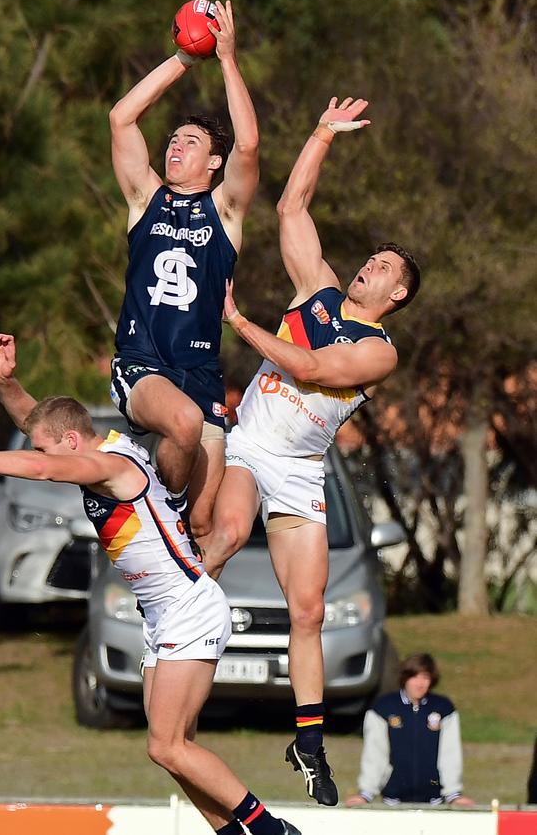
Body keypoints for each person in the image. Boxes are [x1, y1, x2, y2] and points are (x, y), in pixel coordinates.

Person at [0, 333, 300, 835]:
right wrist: (6, 383)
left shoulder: (109, 465)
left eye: (52, 447)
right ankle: (233, 832)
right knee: (175, 749)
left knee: (166, 745)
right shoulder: (93, 446)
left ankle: (271, 829)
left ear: (71, 443)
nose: (47, 452)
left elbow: (43, 464)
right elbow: (41, 428)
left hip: (188, 607)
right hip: (164, 614)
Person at [203, 96, 421, 806]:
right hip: (250, 446)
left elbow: (314, 371)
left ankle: (308, 741)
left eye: (384, 266)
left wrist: (239, 320)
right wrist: (322, 134)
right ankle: (168, 618)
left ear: (397, 294)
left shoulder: (377, 351)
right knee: (229, 533)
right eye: (372, 257)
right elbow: (292, 207)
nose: (370, 264)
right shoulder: (318, 290)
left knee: (308, 612)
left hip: (298, 472)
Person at [108, 0, 259, 540]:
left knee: (204, 522)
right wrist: (183, 59)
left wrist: (226, 59)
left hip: (202, 372)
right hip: (142, 364)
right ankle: (155, 512)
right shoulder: (145, 199)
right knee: (184, 428)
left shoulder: (225, 212)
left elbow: (249, 144)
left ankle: (183, 617)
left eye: (189, 142)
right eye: (172, 139)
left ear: (213, 163)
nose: (174, 145)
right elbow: (122, 118)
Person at [345, 653, 474, 806]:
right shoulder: (384, 707)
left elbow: (450, 753)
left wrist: (454, 794)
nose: (420, 683)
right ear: (405, 677)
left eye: (425, 677)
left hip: (434, 801)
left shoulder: (443, 708)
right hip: (393, 800)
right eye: (415, 677)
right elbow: (375, 753)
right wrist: (366, 793)